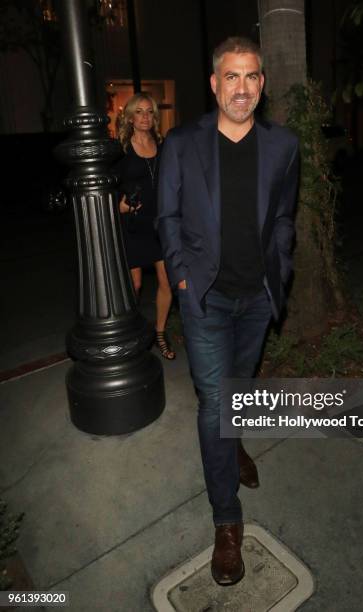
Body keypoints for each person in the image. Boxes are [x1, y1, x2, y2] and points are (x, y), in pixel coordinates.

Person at [158, 37, 299, 584]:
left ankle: (233, 442)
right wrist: (185, 276)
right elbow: (167, 217)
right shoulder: (182, 142)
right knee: (216, 402)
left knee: (238, 388)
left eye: (252, 78)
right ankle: (226, 521)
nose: (242, 88)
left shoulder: (283, 145)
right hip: (206, 297)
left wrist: (281, 268)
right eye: (231, 77)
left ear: (261, 86)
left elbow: (284, 216)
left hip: (257, 297)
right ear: (214, 84)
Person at [115, 93, 175, 359]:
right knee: (135, 284)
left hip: (159, 223)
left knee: (167, 281)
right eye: (139, 112)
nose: (145, 117)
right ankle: (131, 333)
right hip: (133, 226)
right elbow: (108, 189)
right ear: (129, 116)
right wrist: (121, 206)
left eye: (149, 112)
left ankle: (160, 333)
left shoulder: (162, 144)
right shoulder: (120, 148)